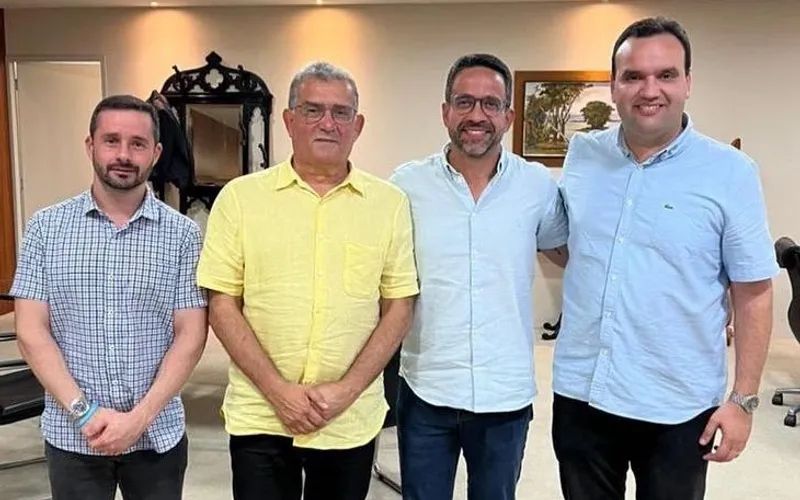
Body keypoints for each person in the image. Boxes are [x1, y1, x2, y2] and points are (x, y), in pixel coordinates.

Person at [552, 17, 778, 500]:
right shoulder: (583, 155)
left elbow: (754, 291)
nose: (649, 89)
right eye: (633, 76)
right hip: (583, 392)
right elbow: (571, 246)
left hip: (678, 406)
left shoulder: (730, 172)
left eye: (666, 75)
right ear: (614, 85)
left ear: (688, 83)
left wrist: (742, 400)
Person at [196, 62, 418, 500]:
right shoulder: (240, 199)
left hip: (348, 416)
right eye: (313, 110)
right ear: (289, 120)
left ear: (358, 125)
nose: (327, 123)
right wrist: (278, 392)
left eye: (341, 112)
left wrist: (345, 391)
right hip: (261, 414)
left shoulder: (388, 204)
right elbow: (222, 303)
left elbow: (399, 306)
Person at [11, 94, 208, 499]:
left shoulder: (183, 235)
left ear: (156, 153)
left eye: (137, 144)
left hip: (156, 436)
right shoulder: (45, 229)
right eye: (111, 140)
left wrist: (139, 418)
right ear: (90, 146)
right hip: (73, 436)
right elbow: (31, 332)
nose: (123, 155)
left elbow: (191, 335)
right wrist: (84, 413)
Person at [390, 53, 568, 500]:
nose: (477, 115)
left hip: (504, 394)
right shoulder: (405, 186)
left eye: (490, 104)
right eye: (464, 102)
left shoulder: (537, 186)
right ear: (445, 111)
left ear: (509, 116)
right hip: (427, 389)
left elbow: (564, 252)